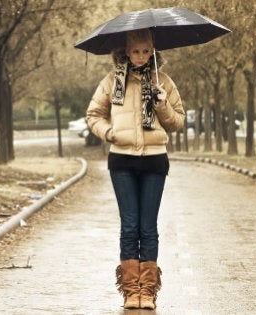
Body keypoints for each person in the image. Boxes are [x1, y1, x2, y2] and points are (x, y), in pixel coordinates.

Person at [85, 28, 185, 310]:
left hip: (154, 160)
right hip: (122, 161)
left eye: (145, 51)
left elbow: (177, 122)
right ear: (125, 51)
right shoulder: (112, 81)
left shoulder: (163, 82)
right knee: (130, 226)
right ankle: (131, 291)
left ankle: (148, 292)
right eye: (136, 51)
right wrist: (109, 132)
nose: (141, 56)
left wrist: (162, 104)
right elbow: (94, 115)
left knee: (148, 227)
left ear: (152, 51)